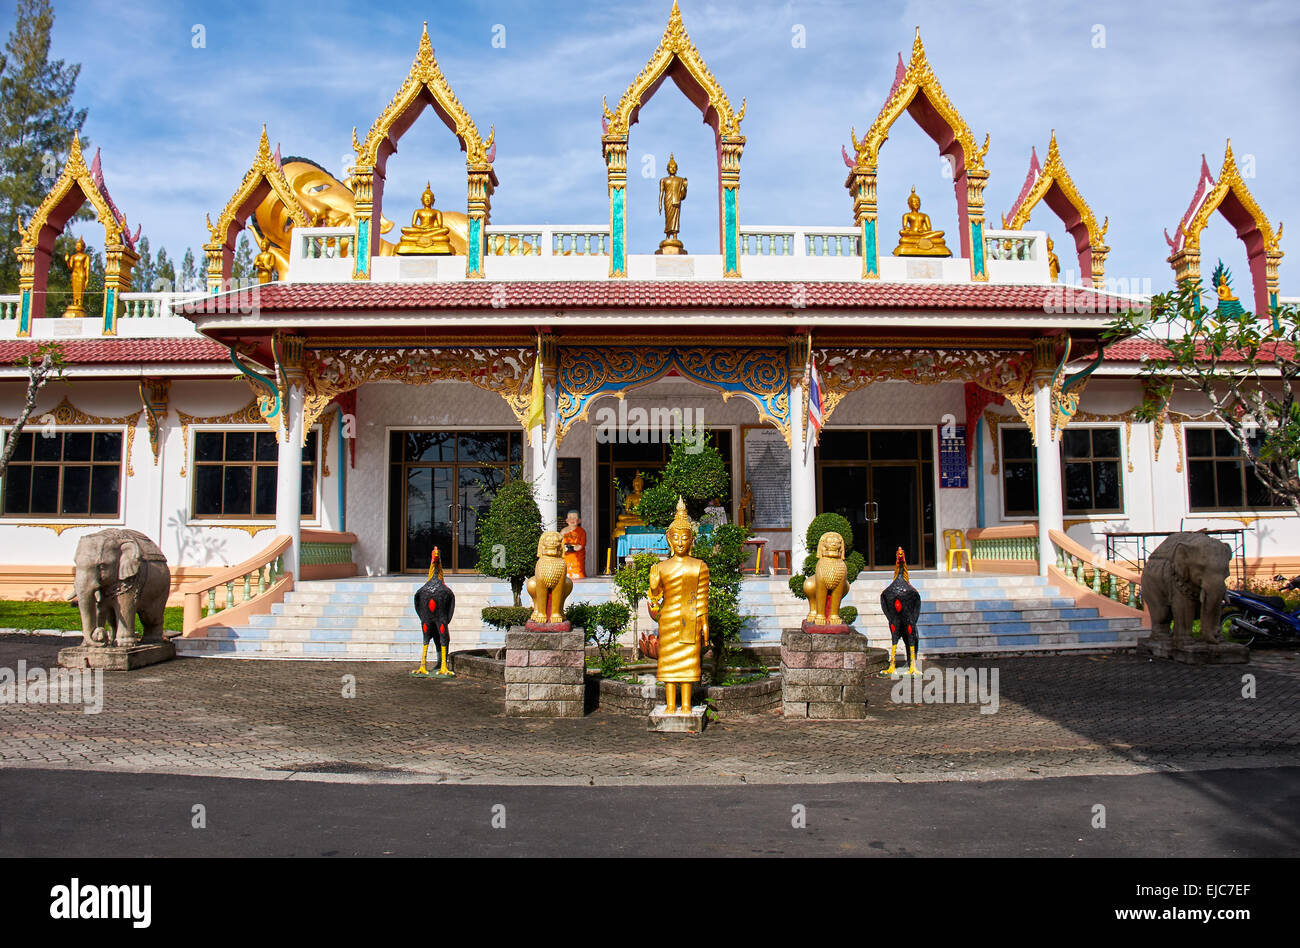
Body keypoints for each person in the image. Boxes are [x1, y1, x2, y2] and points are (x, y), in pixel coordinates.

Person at [647, 498, 710, 715]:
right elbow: (655, 601)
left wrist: (704, 621)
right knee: (668, 662)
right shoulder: (661, 567)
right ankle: (671, 704)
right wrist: (654, 586)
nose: (681, 542)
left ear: (692, 540)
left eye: (685, 538)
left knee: (688, 662)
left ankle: (685, 704)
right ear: (669, 540)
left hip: (689, 617)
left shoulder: (699, 566)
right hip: (669, 618)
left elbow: (702, 597)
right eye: (677, 538)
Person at [560, 509, 586, 579]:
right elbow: (560, 541)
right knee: (566, 569)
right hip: (566, 556)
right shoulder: (563, 531)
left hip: (577, 556)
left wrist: (576, 547)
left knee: (577, 570)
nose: (572, 520)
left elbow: (582, 544)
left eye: (574, 518)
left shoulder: (581, 531)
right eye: (570, 518)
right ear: (567, 520)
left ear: (579, 520)